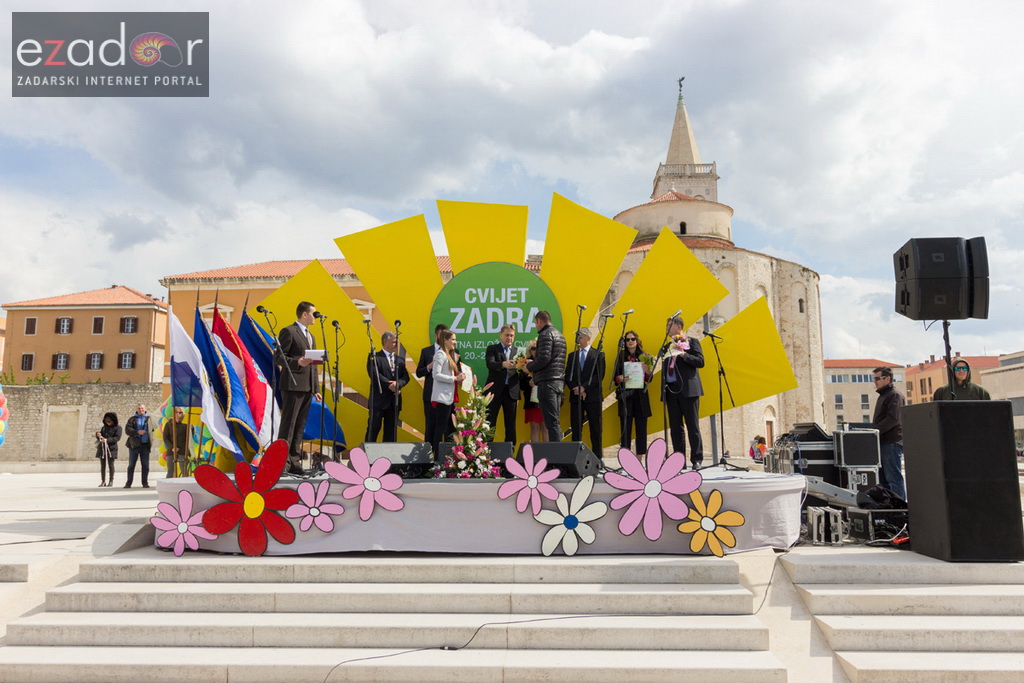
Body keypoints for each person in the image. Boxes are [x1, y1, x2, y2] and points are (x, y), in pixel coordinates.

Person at [277, 301, 322, 475]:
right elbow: (279, 357)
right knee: (288, 425)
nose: (315, 317)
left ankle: (294, 463)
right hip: (292, 384)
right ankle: (282, 463)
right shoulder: (289, 331)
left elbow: (314, 365)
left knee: (300, 426)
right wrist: (297, 362)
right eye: (313, 314)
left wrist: (316, 388)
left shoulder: (311, 336)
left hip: (307, 387)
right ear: (304, 314)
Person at [659, 316, 705, 469]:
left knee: (693, 426)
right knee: (676, 428)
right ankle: (679, 461)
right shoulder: (667, 347)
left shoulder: (691, 342)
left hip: (689, 391)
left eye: (669, 325)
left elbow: (700, 361)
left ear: (678, 327)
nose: (666, 328)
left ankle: (697, 459)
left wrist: (683, 354)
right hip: (672, 391)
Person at [526, 310, 566, 443]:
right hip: (559, 381)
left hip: (547, 382)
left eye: (535, 323)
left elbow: (543, 358)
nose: (536, 326)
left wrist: (529, 367)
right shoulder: (560, 335)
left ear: (539, 321)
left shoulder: (544, 334)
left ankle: (557, 456)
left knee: (551, 422)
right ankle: (558, 454)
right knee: (555, 420)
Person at [566, 328, 605, 453]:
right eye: (577, 337)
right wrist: (576, 388)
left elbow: (599, 376)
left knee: (596, 428)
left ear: (588, 338)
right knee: (576, 429)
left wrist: (584, 387)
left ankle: (597, 458)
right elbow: (568, 375)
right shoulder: (572, 356)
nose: (578, 340)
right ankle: (576, 459)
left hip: (593, 397)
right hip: (576, 396)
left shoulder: (598, 354)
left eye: (581, 337)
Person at [613, 331, 652, 457]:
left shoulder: (645, 356)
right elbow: (615, 379)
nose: (630, 341)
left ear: (637, 340)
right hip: (626, 397)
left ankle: (640, 457)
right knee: (625, 429)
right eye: (627, 339)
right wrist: (620, 378)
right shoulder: (621, 356)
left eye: (632, 339)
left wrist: (647, 371)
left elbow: (649, 379)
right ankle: (626, 458)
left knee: (641, 429)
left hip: (641, 396)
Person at [367, 331, 409, 442]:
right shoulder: (375, 357)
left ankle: (388, 456)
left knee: (391, 431)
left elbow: (406, 377)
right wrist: (389, 385)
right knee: (374, 428)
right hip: (378, 400)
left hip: (393, 401)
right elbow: (374, 375)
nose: (396, 345)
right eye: (394, 342)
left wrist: (398, 384)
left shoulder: (399, 360)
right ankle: (367, 455)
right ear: (385, 342)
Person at [872, 366, 907, 500]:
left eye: (877, 378)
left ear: (887, 379)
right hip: (882, 443)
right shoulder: (883, 396)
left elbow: (893, 419)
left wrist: (874, 432)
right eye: (874, 378)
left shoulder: (895, 395)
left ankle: (900, 510)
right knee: (884, 482)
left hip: (891, 443)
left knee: (894, 479)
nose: (875, 381)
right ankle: (889, 510)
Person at [430, 329, 465, 454]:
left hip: (450, 398)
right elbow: (436, 374)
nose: (455, 342)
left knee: (450, 429)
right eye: (453, 339)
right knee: (440, 428)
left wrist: (459, 378)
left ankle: (449, 455)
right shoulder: (440, 354)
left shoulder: (450, 355)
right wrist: (455, 378)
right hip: (442, 398)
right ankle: (437, 456)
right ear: (445, 340)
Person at [484, 324, 520, 445]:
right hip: (495, 392)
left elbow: (521, 373)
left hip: (511, 393)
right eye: (507, 335)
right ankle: (485, 453)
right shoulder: (493, 349)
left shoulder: (518, 352)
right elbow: (490, 364)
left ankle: (510, 453)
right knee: (490, 423)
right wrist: (503, 364)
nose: (509, 338)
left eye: (511, 336)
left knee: (510, 425)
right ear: (501, 335)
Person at [416, 324, 448, 448]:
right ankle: (429, 456)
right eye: (442, 335)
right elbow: (419, 372)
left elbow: (458, 370)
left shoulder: (453, 351)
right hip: (430, 395)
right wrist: (429, 367)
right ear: (435, 335)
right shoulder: (426, 351)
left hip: (446, 396)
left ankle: (445, 458)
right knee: (430, 426)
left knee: (446, 427)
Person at [521, 340, 546, 442]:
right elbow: (521, 384)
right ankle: (535, 455)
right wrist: (529, 383)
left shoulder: (546, 362)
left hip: (545, 399)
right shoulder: (525, 363)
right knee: (535, 429)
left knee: (546, 428)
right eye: (533, 348)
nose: (536, 351)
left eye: (538, 348)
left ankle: (547, 455)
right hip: (532, 401)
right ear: (530, 351)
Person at [124, 404, 153, 488]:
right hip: (134, 445)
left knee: (145, 466)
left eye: (142, 408)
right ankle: (128, 483)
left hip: (145, 445)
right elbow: (127, 430)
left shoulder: (149, 419)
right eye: (139, 408)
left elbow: (154, 428)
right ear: (137, 410)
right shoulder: (132, 419)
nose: (141, 410)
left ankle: (145, 483)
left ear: (145, 409)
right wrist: (137, 431)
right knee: (131, 465)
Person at [162, 407, 192, 479]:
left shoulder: (185, 424)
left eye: (180, 412)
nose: (178, 414)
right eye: (176, 412)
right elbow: (165, 438)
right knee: (170, 470)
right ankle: (168, 486)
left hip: (183, 450)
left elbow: (189, 437)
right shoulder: (168, 424)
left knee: (184, 470)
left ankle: (186, 485)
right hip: (171, 450)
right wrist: (172, 447)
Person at [94, 412, 121, 487]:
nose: (108, 423)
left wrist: (107, 440)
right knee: (102, 465)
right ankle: (103, 481)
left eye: (109, 421)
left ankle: (111, 481)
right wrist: (98, 435)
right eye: (106, 421)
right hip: (102, 448)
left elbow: (117, 438)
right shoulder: (104, 427)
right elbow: (101, 436)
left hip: (111, 449)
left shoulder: (118, 428)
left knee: (111, 465)